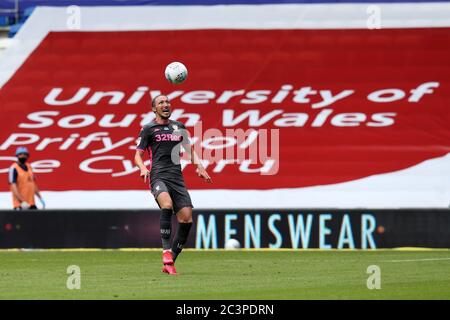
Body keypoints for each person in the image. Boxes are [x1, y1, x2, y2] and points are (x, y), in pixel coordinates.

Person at [134, 95, 211, 275]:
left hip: (177, 177)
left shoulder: (179, 127)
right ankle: (166, 251)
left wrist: (199, 166)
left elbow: (188, 149)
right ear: (154, 109)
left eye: (167, 102)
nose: (165, 104)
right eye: (161, 102)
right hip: (158, 176)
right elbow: (137, 155)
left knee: (186, 219)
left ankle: (170, 263)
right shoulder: (148, 129)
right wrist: (143, 168)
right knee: (166, 205)